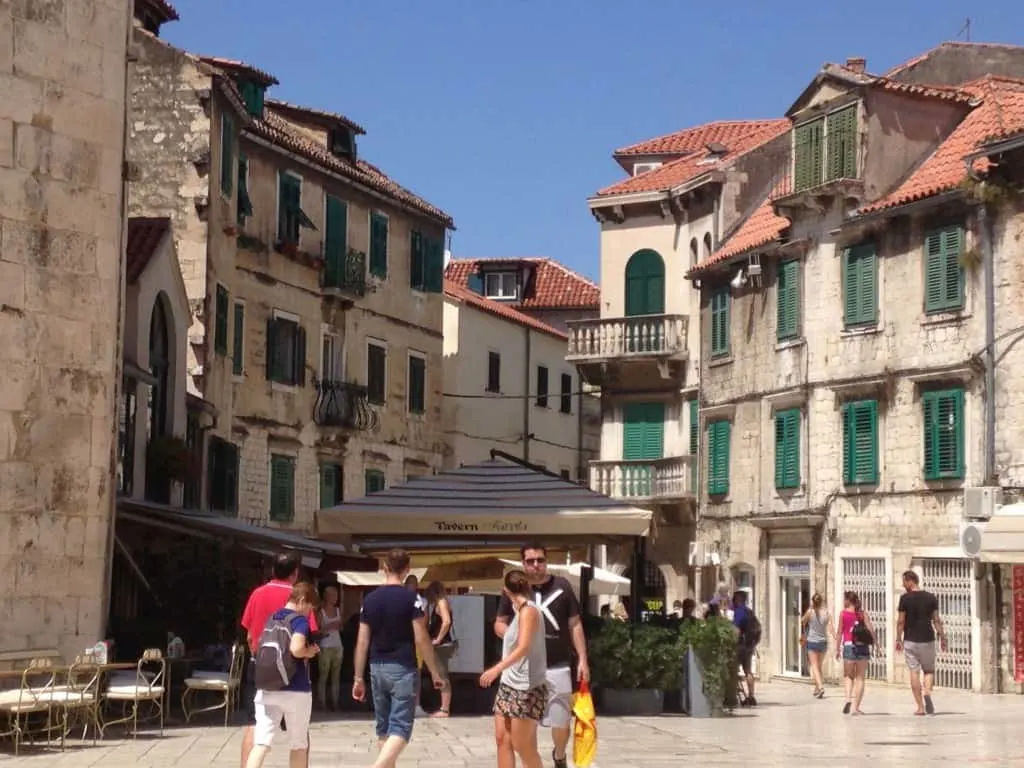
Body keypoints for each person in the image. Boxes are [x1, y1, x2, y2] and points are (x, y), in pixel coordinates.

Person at [495, 543, 589, 768]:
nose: (536, 565)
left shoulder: (562, 586)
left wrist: (583, 659)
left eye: (540, 560)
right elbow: (499, 623)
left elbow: (574, 624)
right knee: (525, 730)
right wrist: (516, 638)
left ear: (546, 561)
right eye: (530, 561)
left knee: (561, 721)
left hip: (558, 664)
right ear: (523, 563)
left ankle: (559, 753)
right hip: (526, 670)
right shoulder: (515, 590)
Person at [353, 549, 446, 768]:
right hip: (402, 667)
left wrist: (358, 677)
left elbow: (362, 641)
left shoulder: (370, 599)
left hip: (376, 667)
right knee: (401, 727)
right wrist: (434, 671)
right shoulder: (411, 599)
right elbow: (421, 638)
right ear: (407, 570)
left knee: (384, 728)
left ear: (384, 568)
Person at [240, 552, 319, 768]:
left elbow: (249, 636)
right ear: (295, 573)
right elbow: (304, 640)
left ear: (273, 570)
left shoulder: (257, 594)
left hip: (262, 671)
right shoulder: (301, 600)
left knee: (256, 729)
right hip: (294, 677)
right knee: (299, 738)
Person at [481, 570, 548, 768]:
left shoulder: (529, 611)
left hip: (526, 687)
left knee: (522, 745)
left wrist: (495, 669)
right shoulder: (519, 611)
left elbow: (524, 647)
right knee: (502, 738)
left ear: (505, 590)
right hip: (509, 684)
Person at [896, 570, 947, 715]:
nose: (903, 584)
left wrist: (898, 639)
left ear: (910, 581)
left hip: (910, 640)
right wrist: (942, 636)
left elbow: (900, 621)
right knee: (929, 670)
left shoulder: (905, 599)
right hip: (927, 639)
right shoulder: (931, 597)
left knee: (914, 671)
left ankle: (920, 707)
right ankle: (927, 693)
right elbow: (936, 620)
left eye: (904, 581)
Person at [835, 590, 877, 715]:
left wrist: (837, 649)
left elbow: (839, 632)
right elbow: (871, 630)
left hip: (848, 646)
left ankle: (848, 699)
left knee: (848, 676)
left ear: (848, 600)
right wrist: (876, 644)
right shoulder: (863, 614)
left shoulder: (843, 614)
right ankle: (856, 708)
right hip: (862, 647)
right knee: (860, 678)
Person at [424, 580, 456, 717]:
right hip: (442, 644)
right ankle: (443, 707)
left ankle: (444, 709)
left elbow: (446, 621)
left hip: (442, 645)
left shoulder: (441, 602)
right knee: (440, 673)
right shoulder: (440, 602)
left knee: (442, 674)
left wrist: (438, 638)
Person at [404, 574, 429, 718]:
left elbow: (425, 621)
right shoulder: (401, 599)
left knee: (416, 673)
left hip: (416, 641)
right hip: (405, 640)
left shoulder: (422, 601)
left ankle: (417, 704)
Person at [801, 593, 833, 699]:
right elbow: (831, 627)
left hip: (812, 641)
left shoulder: (810, 612)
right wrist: (836, 637)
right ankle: (816, 688)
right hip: (823, 642)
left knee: (814, 666)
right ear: (822, 601)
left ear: (813, 602)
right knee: (819, 666)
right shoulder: (827, 613)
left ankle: (820, 687)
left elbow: (802, 621)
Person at [317, 584, 344, 711]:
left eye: (336, 595)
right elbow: (316, 631)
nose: (335, 598)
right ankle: (322, 702)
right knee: (323, 675)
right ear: (326, 597)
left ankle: (336, 702)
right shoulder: (321, 612)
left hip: (337, 645)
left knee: (336, 676)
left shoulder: (338, 611)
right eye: (333, 595)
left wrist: (339, 625)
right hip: (325, 646)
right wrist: (328, 627)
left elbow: (341, 627)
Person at [731, 591, 760, 706]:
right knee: (748, 671)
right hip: (749, 646)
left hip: (740, 646)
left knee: (733, 670)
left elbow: (736, 630)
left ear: (738, 599)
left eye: (734, 598)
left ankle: (732, 696)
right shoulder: (749, 612)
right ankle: (751, 695)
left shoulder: (739, 612)